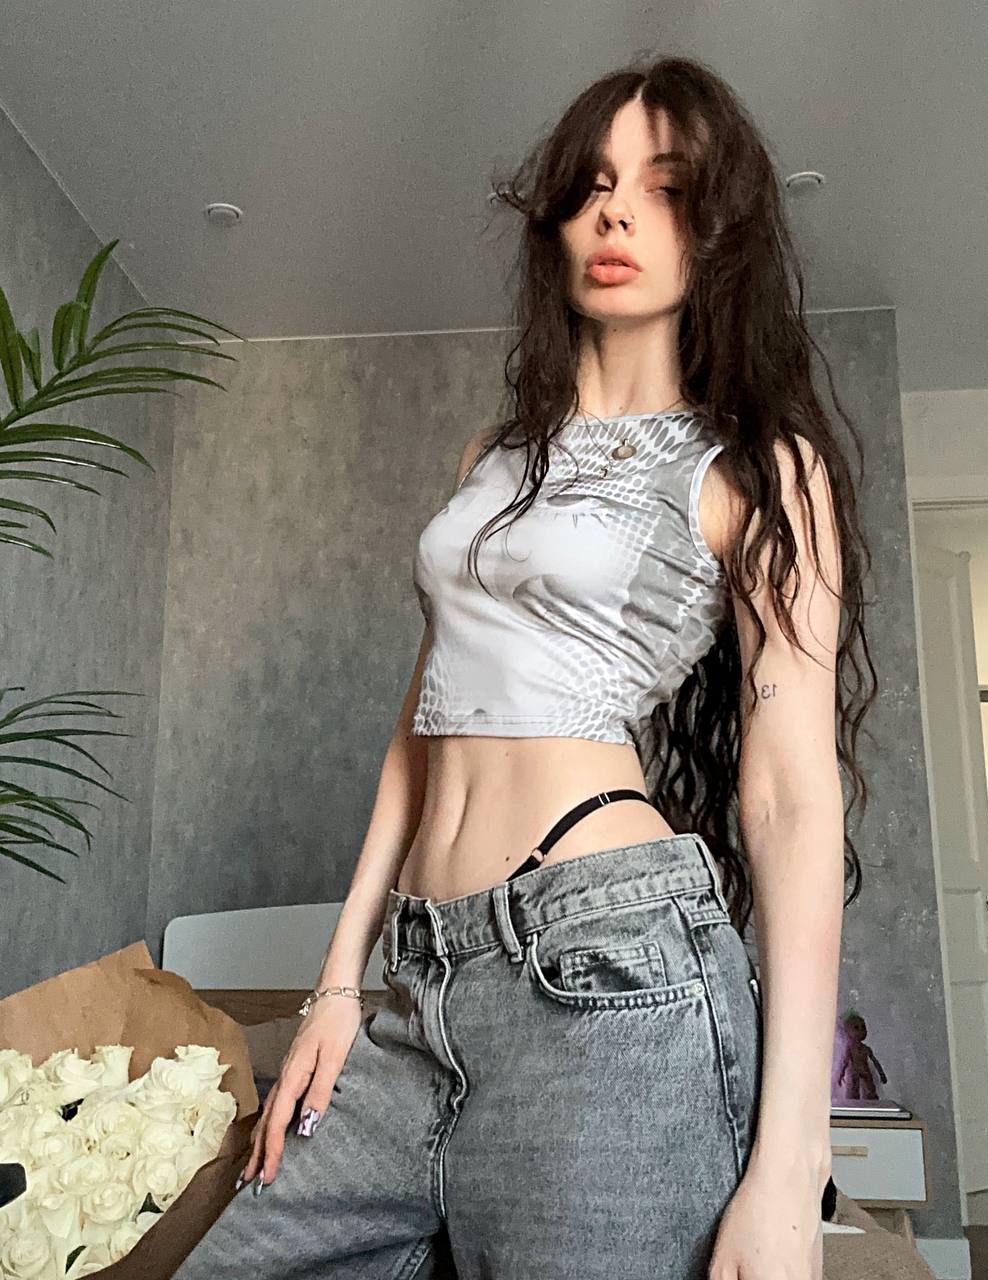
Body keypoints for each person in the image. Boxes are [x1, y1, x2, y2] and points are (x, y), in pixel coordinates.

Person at [176, 53, 874, 1280]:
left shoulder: (757, 468)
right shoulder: (490, 457)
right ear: (554, 220)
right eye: (593, 185)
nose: (616, 215)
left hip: (607, 969)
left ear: (716, 234)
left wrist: (787, 1162)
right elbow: (423, 721)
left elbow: (788, 797)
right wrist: (338, 980)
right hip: (424, 976)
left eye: (664, 188)